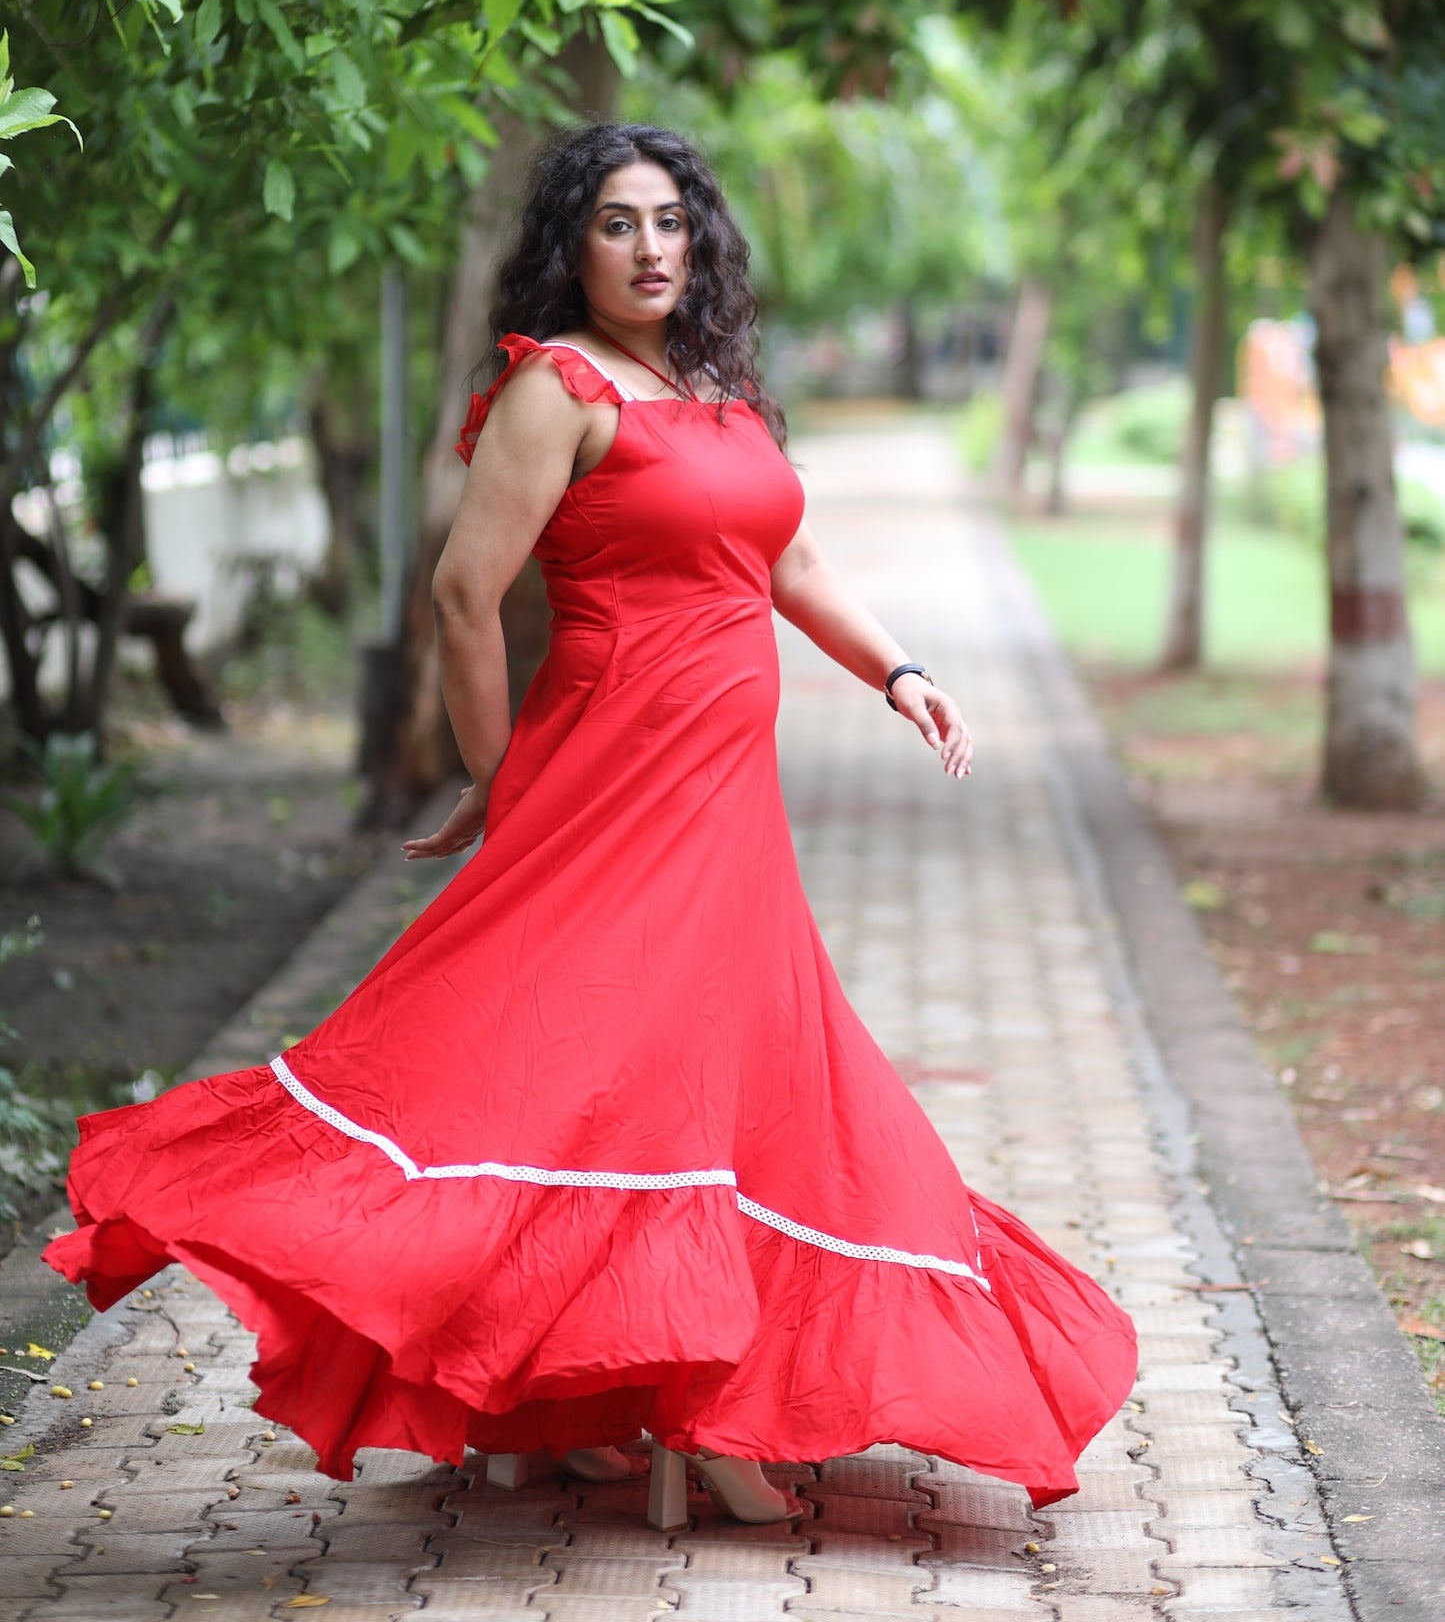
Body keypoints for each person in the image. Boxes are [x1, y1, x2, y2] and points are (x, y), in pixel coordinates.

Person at [47, 121, 1136, 1525]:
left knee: (705, 1067)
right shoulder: (554, 390)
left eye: (670, 221)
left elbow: (786, 555)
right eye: (616, 223)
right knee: (583, 1060)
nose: (649, 248)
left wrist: (901, 673)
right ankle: (691, 1408)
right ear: (572, 243)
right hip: (613, 775)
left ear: (701, 239)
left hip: (724, 793)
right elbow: (463, 592)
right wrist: (503, 782)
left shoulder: (716, 385)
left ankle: (630, 1394)